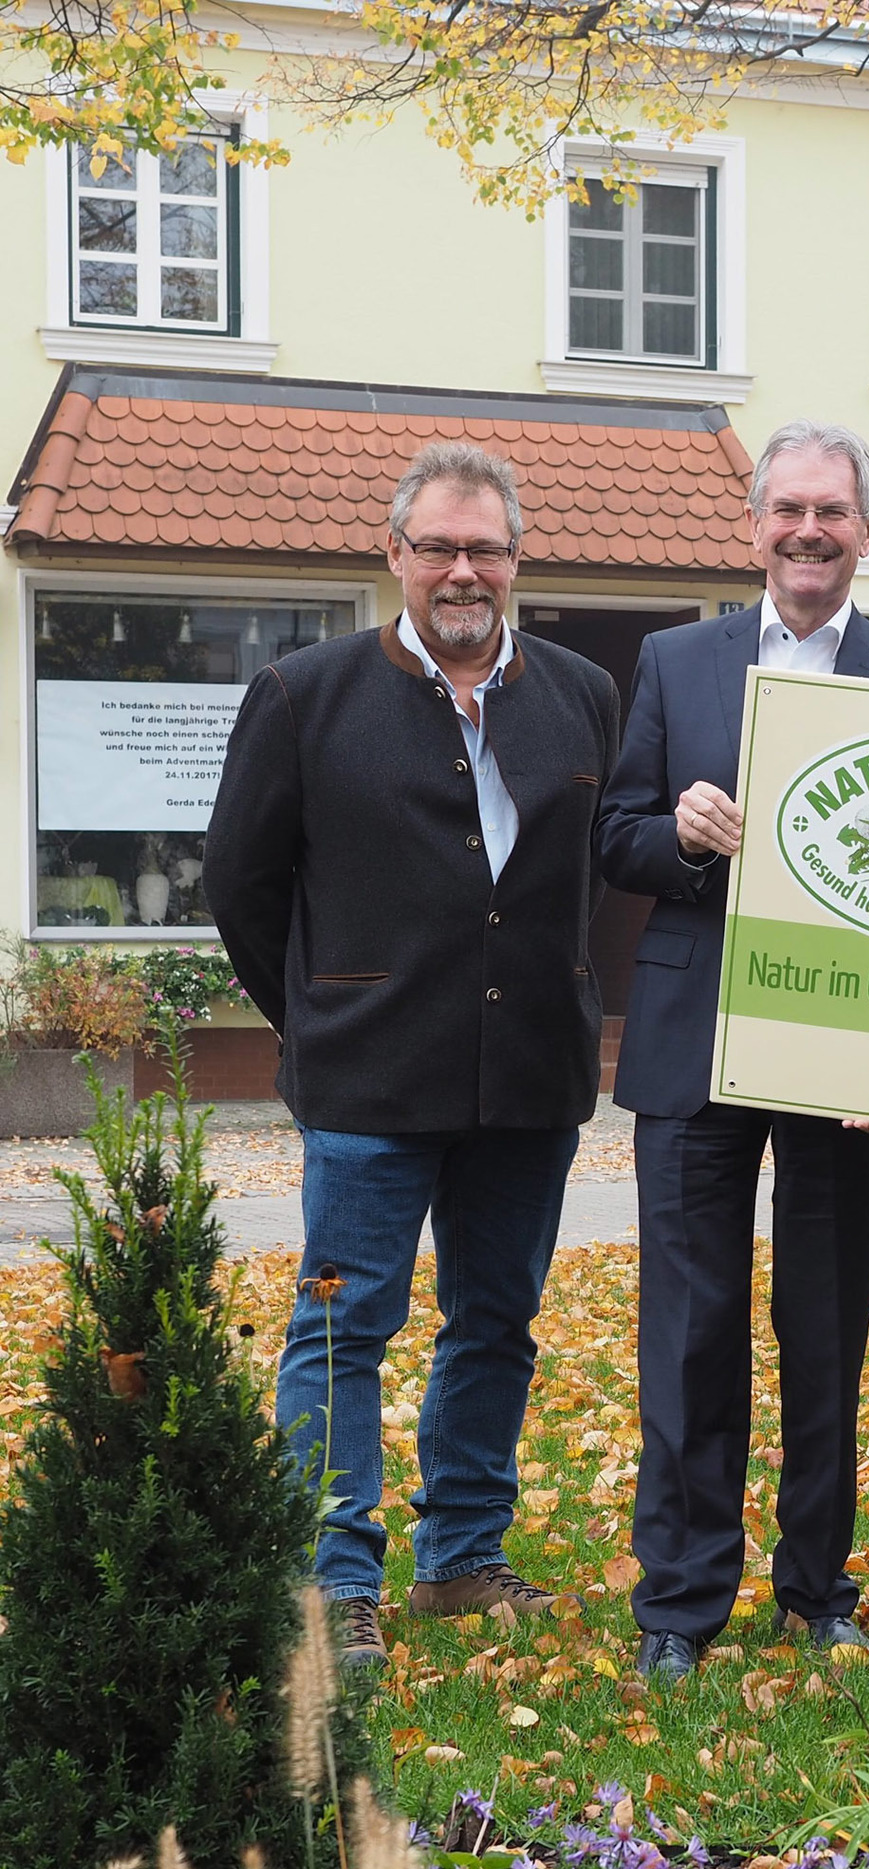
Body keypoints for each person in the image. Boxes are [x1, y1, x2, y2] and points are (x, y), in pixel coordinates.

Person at [204, 441, 620, 1665]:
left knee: (496, 1321)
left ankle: (461, 1560)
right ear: (394, 553)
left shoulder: (583, 694)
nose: (462, 569)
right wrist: (319, 1010)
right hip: (367, 1078)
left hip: (530, 1074)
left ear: (517, 560)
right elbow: (240, 881)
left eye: (485, 547)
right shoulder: (303, 694)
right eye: (437, 545)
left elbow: (594, 873)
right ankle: (337, 1580)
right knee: (343, 1330)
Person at [596, 420, 869, 1685]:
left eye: (831, 512)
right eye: (787, 509)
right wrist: (681, 832)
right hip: (693, 1037)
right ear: (752, 526)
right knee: (688, 1326)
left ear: (867, 531)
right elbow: (616, 834)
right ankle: (680, 1601)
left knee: (825, 1325)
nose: (808, 531)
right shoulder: (673, 658)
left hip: (843, 1051)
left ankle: (816, 1587)